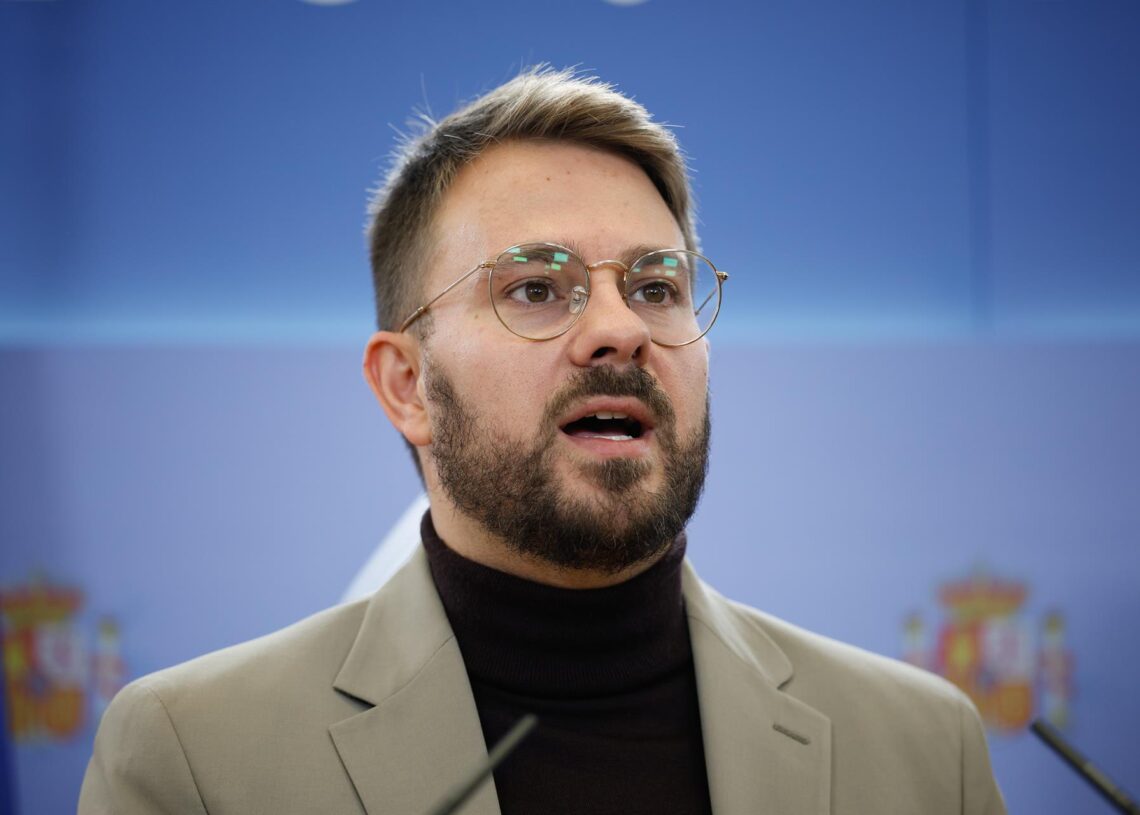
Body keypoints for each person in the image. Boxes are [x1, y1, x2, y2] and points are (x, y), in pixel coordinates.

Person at [79, 68, 1006, 815]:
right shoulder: (195, 755)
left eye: (655, 287)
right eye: (534, 287)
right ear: (408, 386)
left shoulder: (924, 750)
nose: (620, 328)